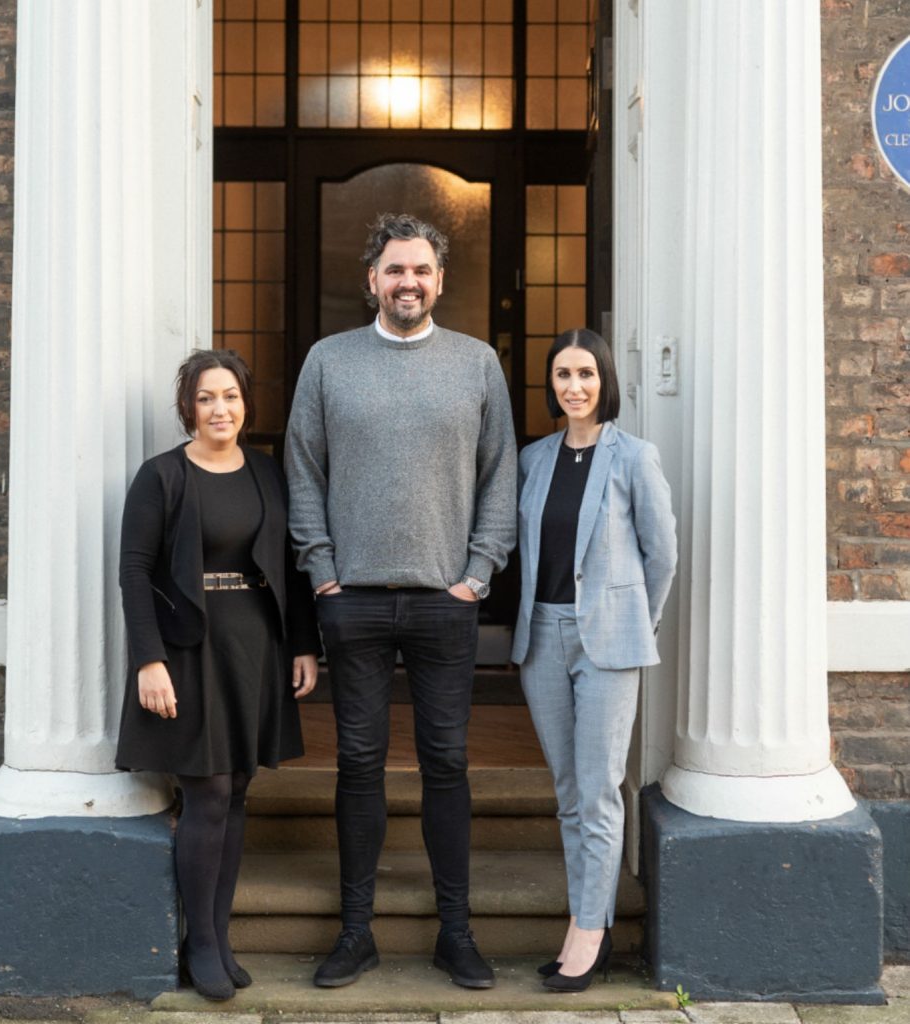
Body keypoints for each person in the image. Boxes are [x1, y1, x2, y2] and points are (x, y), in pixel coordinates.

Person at [284, 212, 516, 990]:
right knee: (358, 764)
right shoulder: (328, 362)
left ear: (439, 280)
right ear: (371, 280)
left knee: (446, 764)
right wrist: (321, 574)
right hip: (351, 601)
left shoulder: (478, 364)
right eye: (394, 270)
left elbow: (500, 477)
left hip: (444, 602)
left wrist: (477, 575)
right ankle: (357, 933)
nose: (408, 281)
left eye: (420, 270)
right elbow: (302, 474)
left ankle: (457, 933)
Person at [115, 349, 320, 1001]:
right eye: (206, 398)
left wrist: (304, 647)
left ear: (245, 403)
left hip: (253, 648)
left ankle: (219, 936)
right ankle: (197, 943)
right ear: (188, 408)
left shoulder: (265, 472)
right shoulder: (162, 477)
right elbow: (135, 572)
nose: (220, 408)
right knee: (205, 794)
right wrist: (149, 659)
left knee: (237, 793)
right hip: (187, 651)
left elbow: (292, 569)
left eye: (230, 396)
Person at [512, 328, 677, 993]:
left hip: (609, 640)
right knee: (569, 790)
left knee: (601, 787)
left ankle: (589, 930)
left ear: (604, 380)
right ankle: (588, 916)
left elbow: (661, 555)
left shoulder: (635, 457)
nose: (573, 386)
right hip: (542, 636)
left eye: (585, 373)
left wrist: (635, 619)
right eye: (561, 375)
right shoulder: (534, 459)